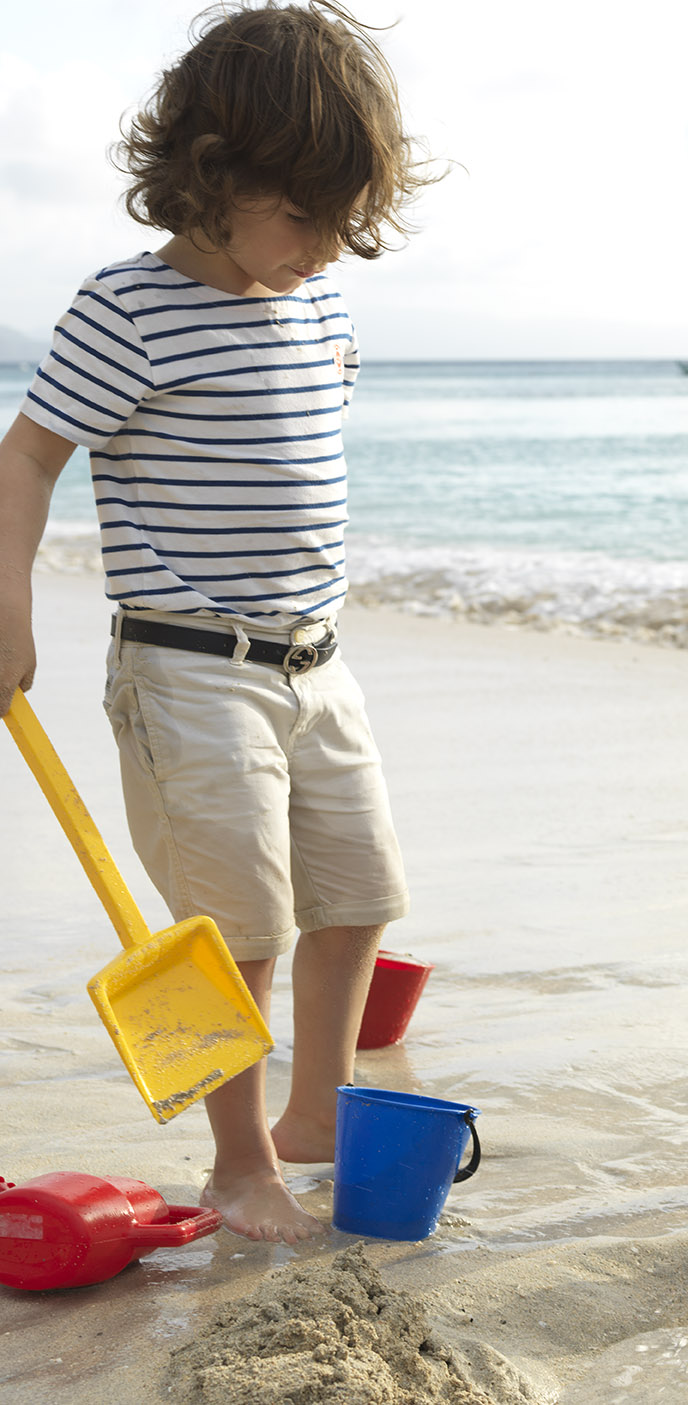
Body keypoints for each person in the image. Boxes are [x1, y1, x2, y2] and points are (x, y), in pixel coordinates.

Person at [0, 2, 435, 1243]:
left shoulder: (324, 309)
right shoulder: (127, 311)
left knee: (358, 895)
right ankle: (239, 1165)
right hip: (190, 669)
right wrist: (9, 601)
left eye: (344, 222)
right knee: (238, 928)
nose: (324, 247)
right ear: (212, 173)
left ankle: (316, 1114)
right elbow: (26, 459)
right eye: (304, 215)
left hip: (317, 662)